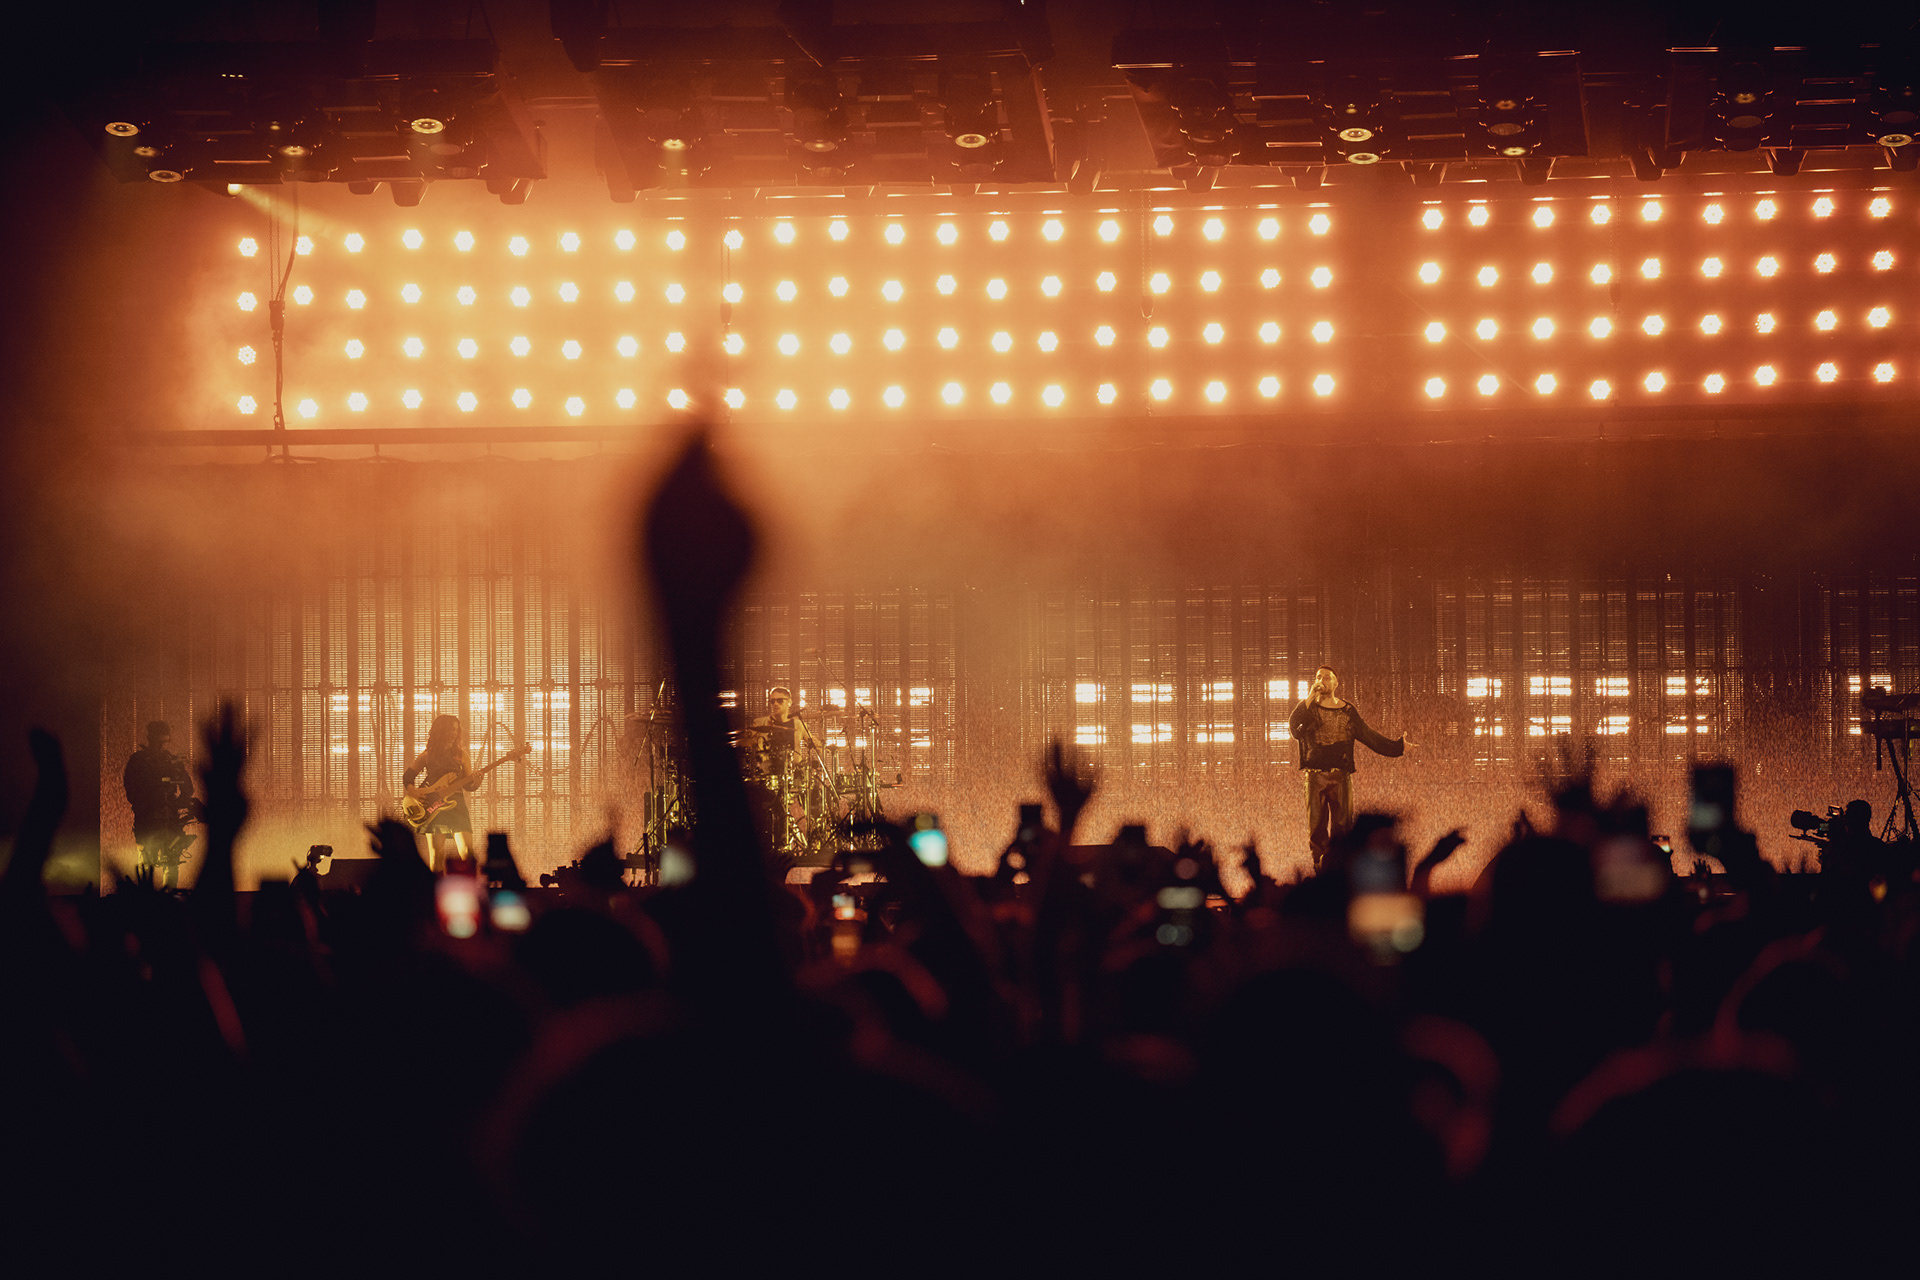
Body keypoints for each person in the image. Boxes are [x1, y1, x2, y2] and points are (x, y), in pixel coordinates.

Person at [1288, 666, 1413, 868]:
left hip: (1341, 777)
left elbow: (1368, 735)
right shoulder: (1309, 709)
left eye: (1326, 677)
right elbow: (1295, 729)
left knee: (1343, 827)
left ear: (1336, 683)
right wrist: (1309, 697)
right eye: (1318, 677)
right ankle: (1319, 870)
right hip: (1315, 777)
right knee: (1316, 827)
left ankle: (1340, 869)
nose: (1321, 680)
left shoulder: (1347, 711)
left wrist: (1397, 747)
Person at [122, 720, 199, 889]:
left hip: (168, 822)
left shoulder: (172, 762)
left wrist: (173, 804)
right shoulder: (139, 761)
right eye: (158, 738)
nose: (160, 743)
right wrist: (148, 803)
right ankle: (150, 899)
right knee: (148, 863)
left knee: (169, 863)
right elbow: (131, 789)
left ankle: (165, 898)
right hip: (149, 821)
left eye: (162, 739)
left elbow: (187, 789)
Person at [403, 713, 476, 871]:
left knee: (467, 852)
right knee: (437, 855)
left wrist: (477, 781)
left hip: (457, 807)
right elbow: (408, 777)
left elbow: (469, 786)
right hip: (433, 807)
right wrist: (413, 792)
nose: (454, 733)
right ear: (441, 731)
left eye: (456, 730)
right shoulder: (428, 755)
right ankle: (436, 886)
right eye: (451, 729)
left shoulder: (462, 756)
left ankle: (468, 884)